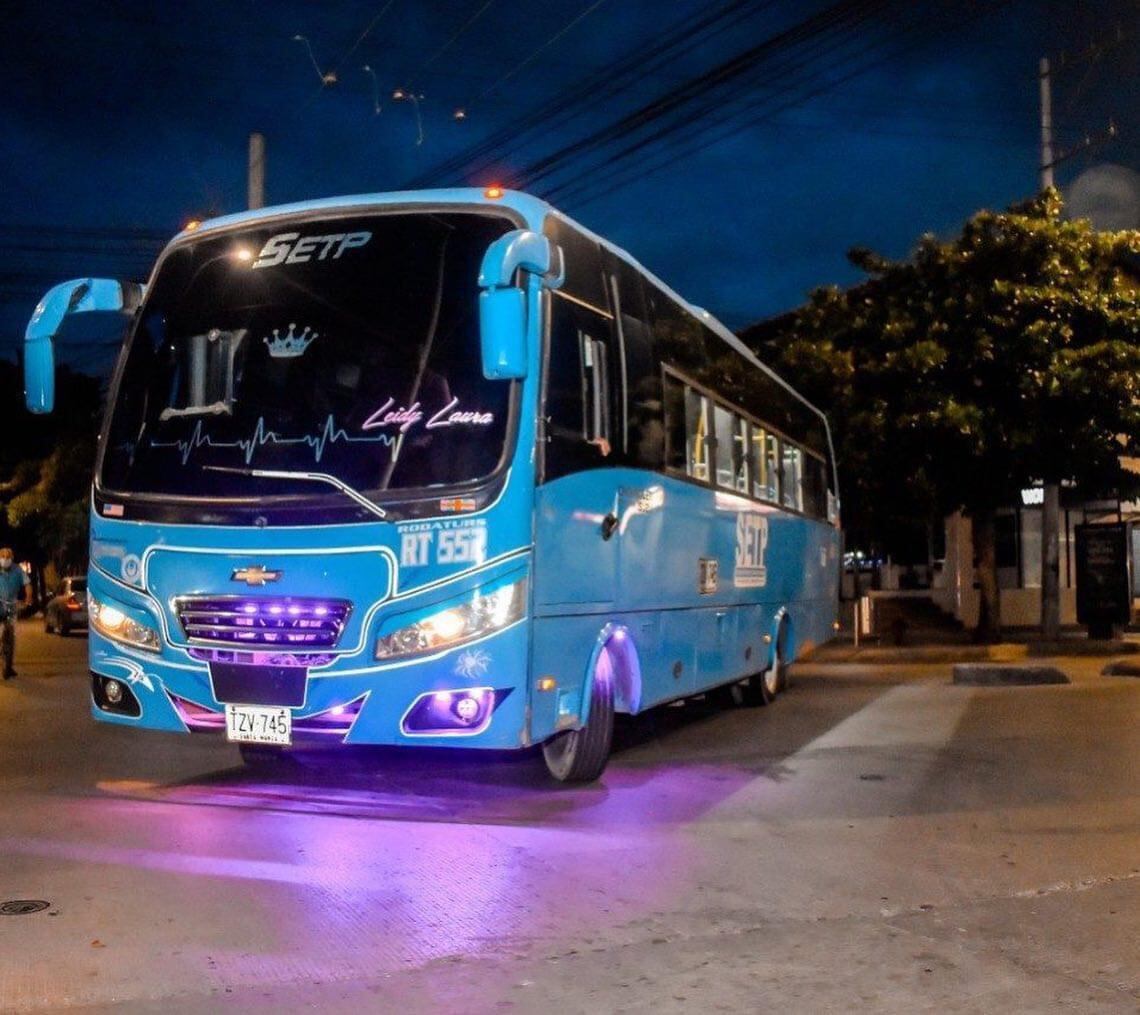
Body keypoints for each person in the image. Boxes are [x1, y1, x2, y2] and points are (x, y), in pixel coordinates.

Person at [0, 548, 30, 679]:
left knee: (11, 634)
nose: (5, 559)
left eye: (8, 557)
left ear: (11, 559)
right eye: (3, 556)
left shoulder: (18, 570)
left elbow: (27, 585)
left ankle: (9, 666)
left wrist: (28, 599)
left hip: (12, 604)